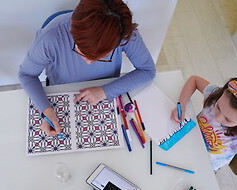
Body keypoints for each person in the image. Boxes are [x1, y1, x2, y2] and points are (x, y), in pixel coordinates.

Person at [19, 0, 156, 137]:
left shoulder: (124, 32)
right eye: (81, 51)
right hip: (62, 91)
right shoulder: (50, 38)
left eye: (101, 56)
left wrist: (106, 91)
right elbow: (26, 74)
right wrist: (45, 109)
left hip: (106, 91)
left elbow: (147, 70)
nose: (89, 62)